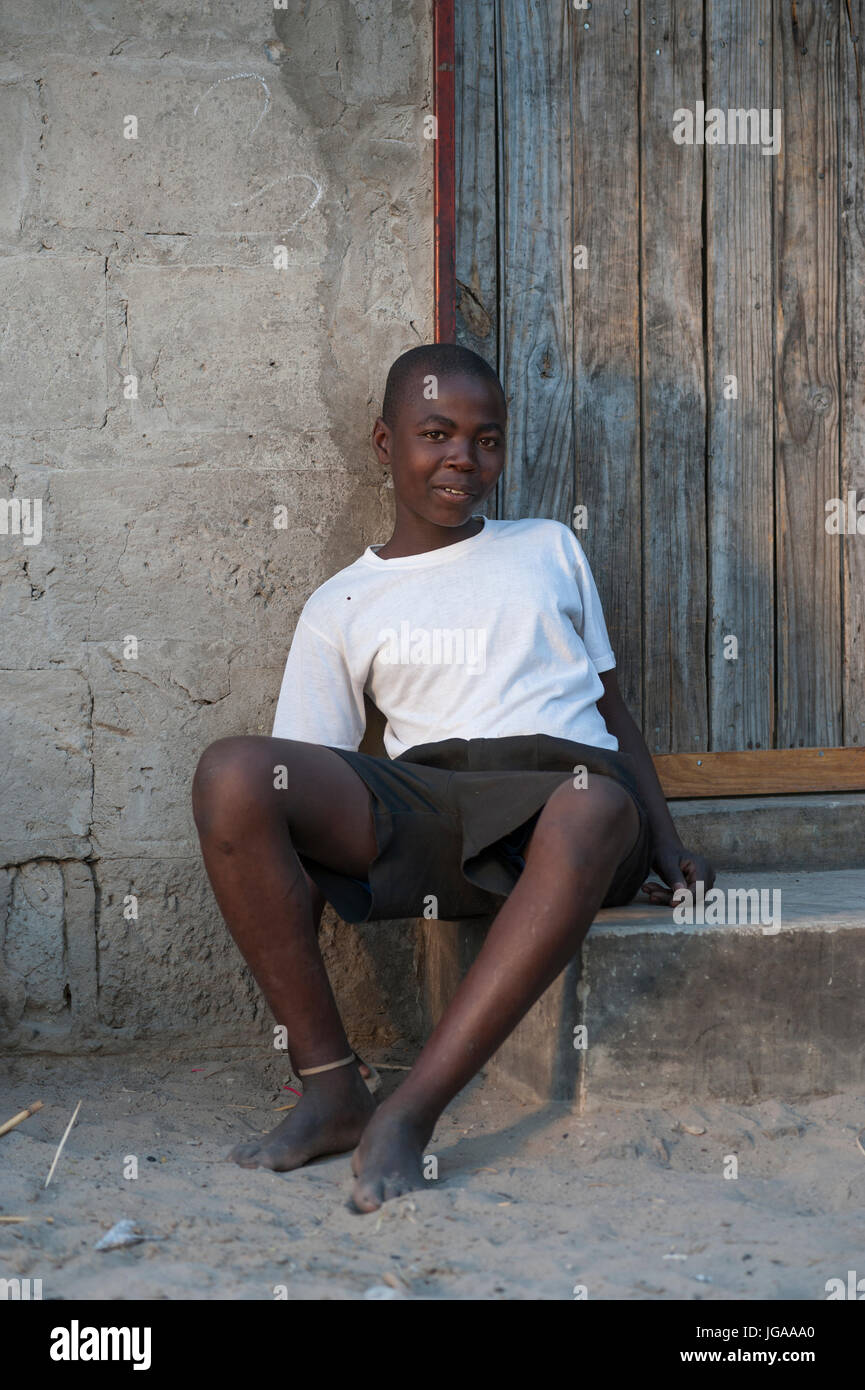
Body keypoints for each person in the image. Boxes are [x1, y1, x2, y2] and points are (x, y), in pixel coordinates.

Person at [191, 342, 716, 1213]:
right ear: (383, 442)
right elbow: (306, 780)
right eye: (436, 433)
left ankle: (412, 1111)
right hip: (434, 807)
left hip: (572, 798)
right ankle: (328, 1087)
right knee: (234, 773)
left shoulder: (547, 548)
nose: (462, 460)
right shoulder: (341, 605)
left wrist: (666, 842)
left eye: (486, 439)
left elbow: (613, 713)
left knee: (586, 808)